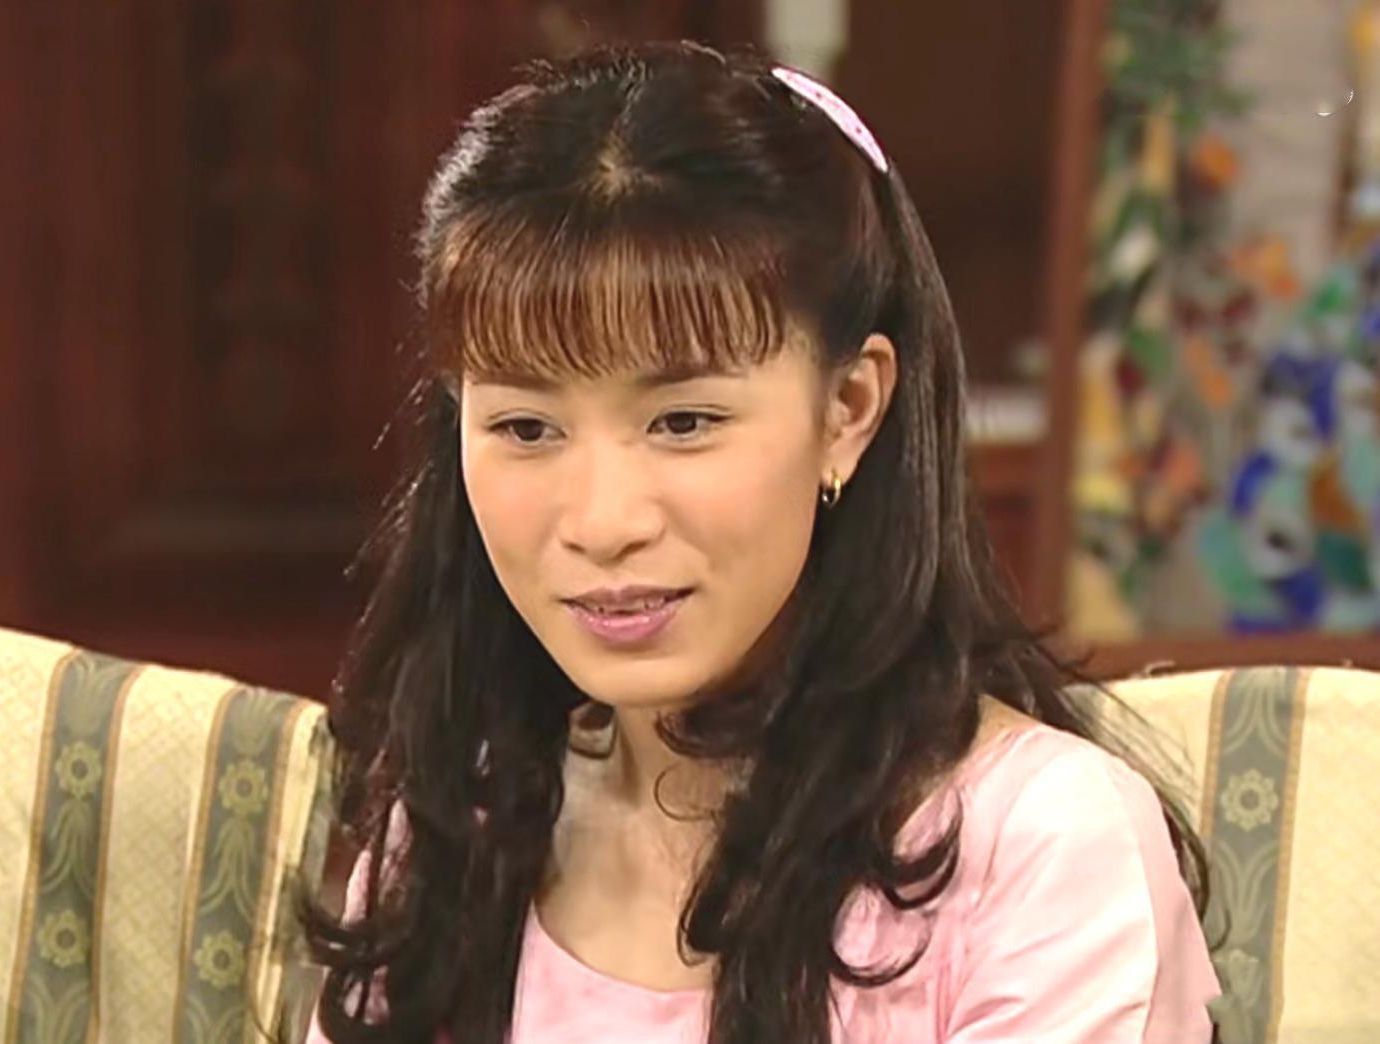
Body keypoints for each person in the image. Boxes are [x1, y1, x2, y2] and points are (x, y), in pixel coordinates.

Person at [302, 40, 1222, 1043]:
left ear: (848, 408)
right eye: (526, 428)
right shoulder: (454, 824)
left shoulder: (1039, 850)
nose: (603, 523)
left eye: (683, 422)